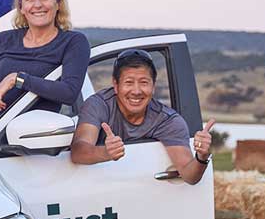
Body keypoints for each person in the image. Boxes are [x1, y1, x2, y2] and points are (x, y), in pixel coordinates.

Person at [0, 0, 90, 139]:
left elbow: (69, 92)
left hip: (30, 144)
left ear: (58, 3)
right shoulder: (4, 40)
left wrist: (17, 79)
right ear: (22, 7)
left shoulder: (73, 42)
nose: (37, 4)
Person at [71, 49, 215, 185]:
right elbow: (78, 152)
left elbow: (190, 176)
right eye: (128, 82)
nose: (136, 91)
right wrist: (106, 152)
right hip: (98, 190)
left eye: (144, 83)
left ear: (153, 86)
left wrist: (201, 157)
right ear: (115, 85)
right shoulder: (98, 105)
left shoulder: (167, 120)